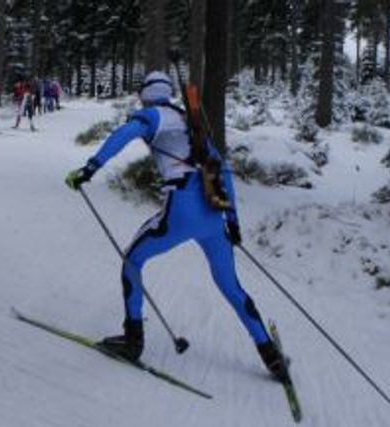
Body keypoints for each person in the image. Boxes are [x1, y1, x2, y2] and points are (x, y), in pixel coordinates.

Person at [63, 71, 290, 385]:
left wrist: (89, 169)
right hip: (213, 216)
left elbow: (124, 134)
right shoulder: (192, 124)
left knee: (132, 260)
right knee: (231, 287)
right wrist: (233, 222)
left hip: (180, 211)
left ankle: (133, 341)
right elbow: (220, 170)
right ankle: (272, 357)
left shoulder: (154, 114)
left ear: (146, 92)